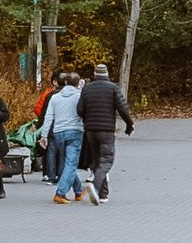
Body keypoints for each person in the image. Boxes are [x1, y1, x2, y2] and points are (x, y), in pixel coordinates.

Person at [78, 63, 135, 204]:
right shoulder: (113, 88)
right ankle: (95, 186)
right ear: (107, 74)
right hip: (106, 131)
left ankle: (103, 195)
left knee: (97, 161)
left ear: (95, 74)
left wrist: (88, 119)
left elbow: (79, 110)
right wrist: (129, 125)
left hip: (90, 131)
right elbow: (123, 109)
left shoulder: (87, 89)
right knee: (107, 160)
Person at [39, 73, 84, 204]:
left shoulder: (55, 97)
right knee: (70, 163)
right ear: (77, 84)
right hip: (75, 131)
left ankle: (79, 191)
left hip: (58, 133)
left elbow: (48, 117)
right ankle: (60, 193)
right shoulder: (79, 97)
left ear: (65, 83)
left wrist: (44, 135)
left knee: (68, 163)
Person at [36, 71, 65, 183]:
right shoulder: (71, 95)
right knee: (62, 152)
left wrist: (41, 127)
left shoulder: (49, 95)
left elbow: (44, 113)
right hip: (64, 127)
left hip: (52, 127)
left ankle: (50, 175)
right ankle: (61, 175)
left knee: (51, 152)